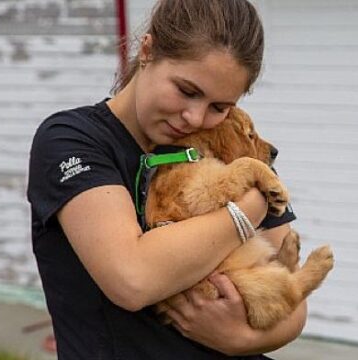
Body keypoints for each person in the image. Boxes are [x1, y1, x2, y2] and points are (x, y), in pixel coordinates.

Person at [26, 0, 306, 358]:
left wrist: (241, 340)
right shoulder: (72, 140)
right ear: (148, 50)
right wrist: (249, 207)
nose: (194, 117)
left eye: (220, 107)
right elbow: (133, 279)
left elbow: (296, 306)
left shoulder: (233, 145)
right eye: (187, 91)